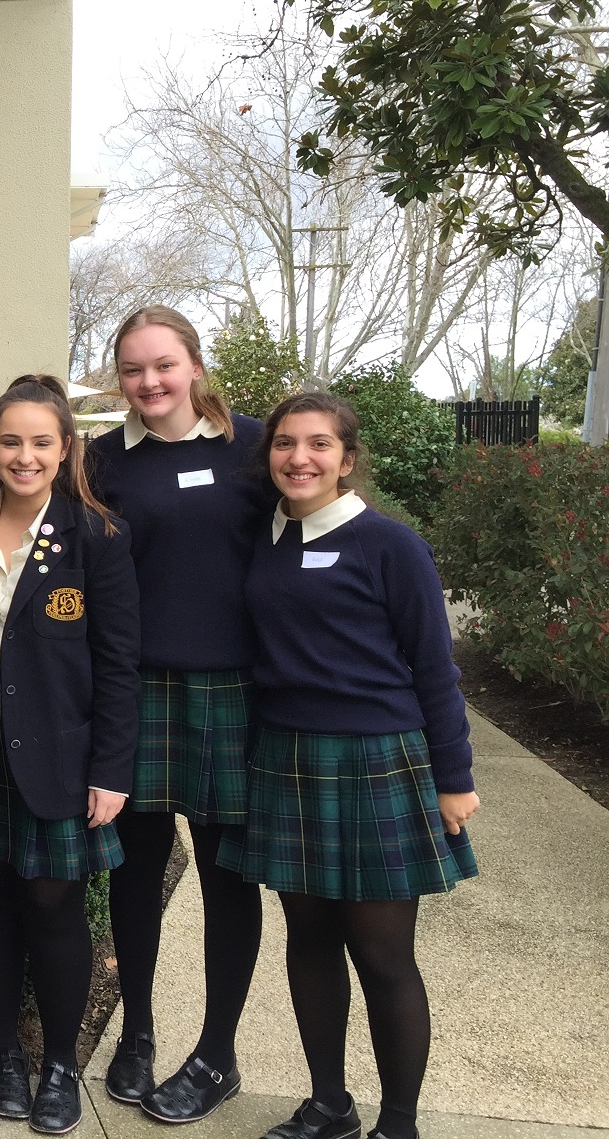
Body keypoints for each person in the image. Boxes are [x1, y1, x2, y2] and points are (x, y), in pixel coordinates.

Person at [223, 392, 478, 1139]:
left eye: (319, 445)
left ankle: (398, 1125)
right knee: (308, 940)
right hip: (286, 757)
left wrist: (454, 776)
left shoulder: (390, 545)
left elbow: (435, 669)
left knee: (383, 953)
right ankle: (329, 1105)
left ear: (347, 459)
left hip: (377, 760)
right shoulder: (267, 536)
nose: (299, 457)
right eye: (285, 444)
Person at [86, 306, 276, 1123]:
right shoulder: (100, 461)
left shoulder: (257, 448)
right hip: (136, 687)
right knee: (134, 871)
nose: (149, 382)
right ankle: (137, 1035)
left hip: (234, 692)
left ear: (195, 365)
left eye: (163, 365)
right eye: (133, 370)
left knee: (230, 879)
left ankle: (218, 1053)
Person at [0, 375, 140, 1135]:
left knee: (54, 906)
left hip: (62, 753)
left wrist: (111, 768)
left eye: (41, 442)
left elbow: (119, 660)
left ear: (65, 448)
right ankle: (5, 1054)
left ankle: (60, 1064)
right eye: (10, 442)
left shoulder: (96, 534)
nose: (24, 456)